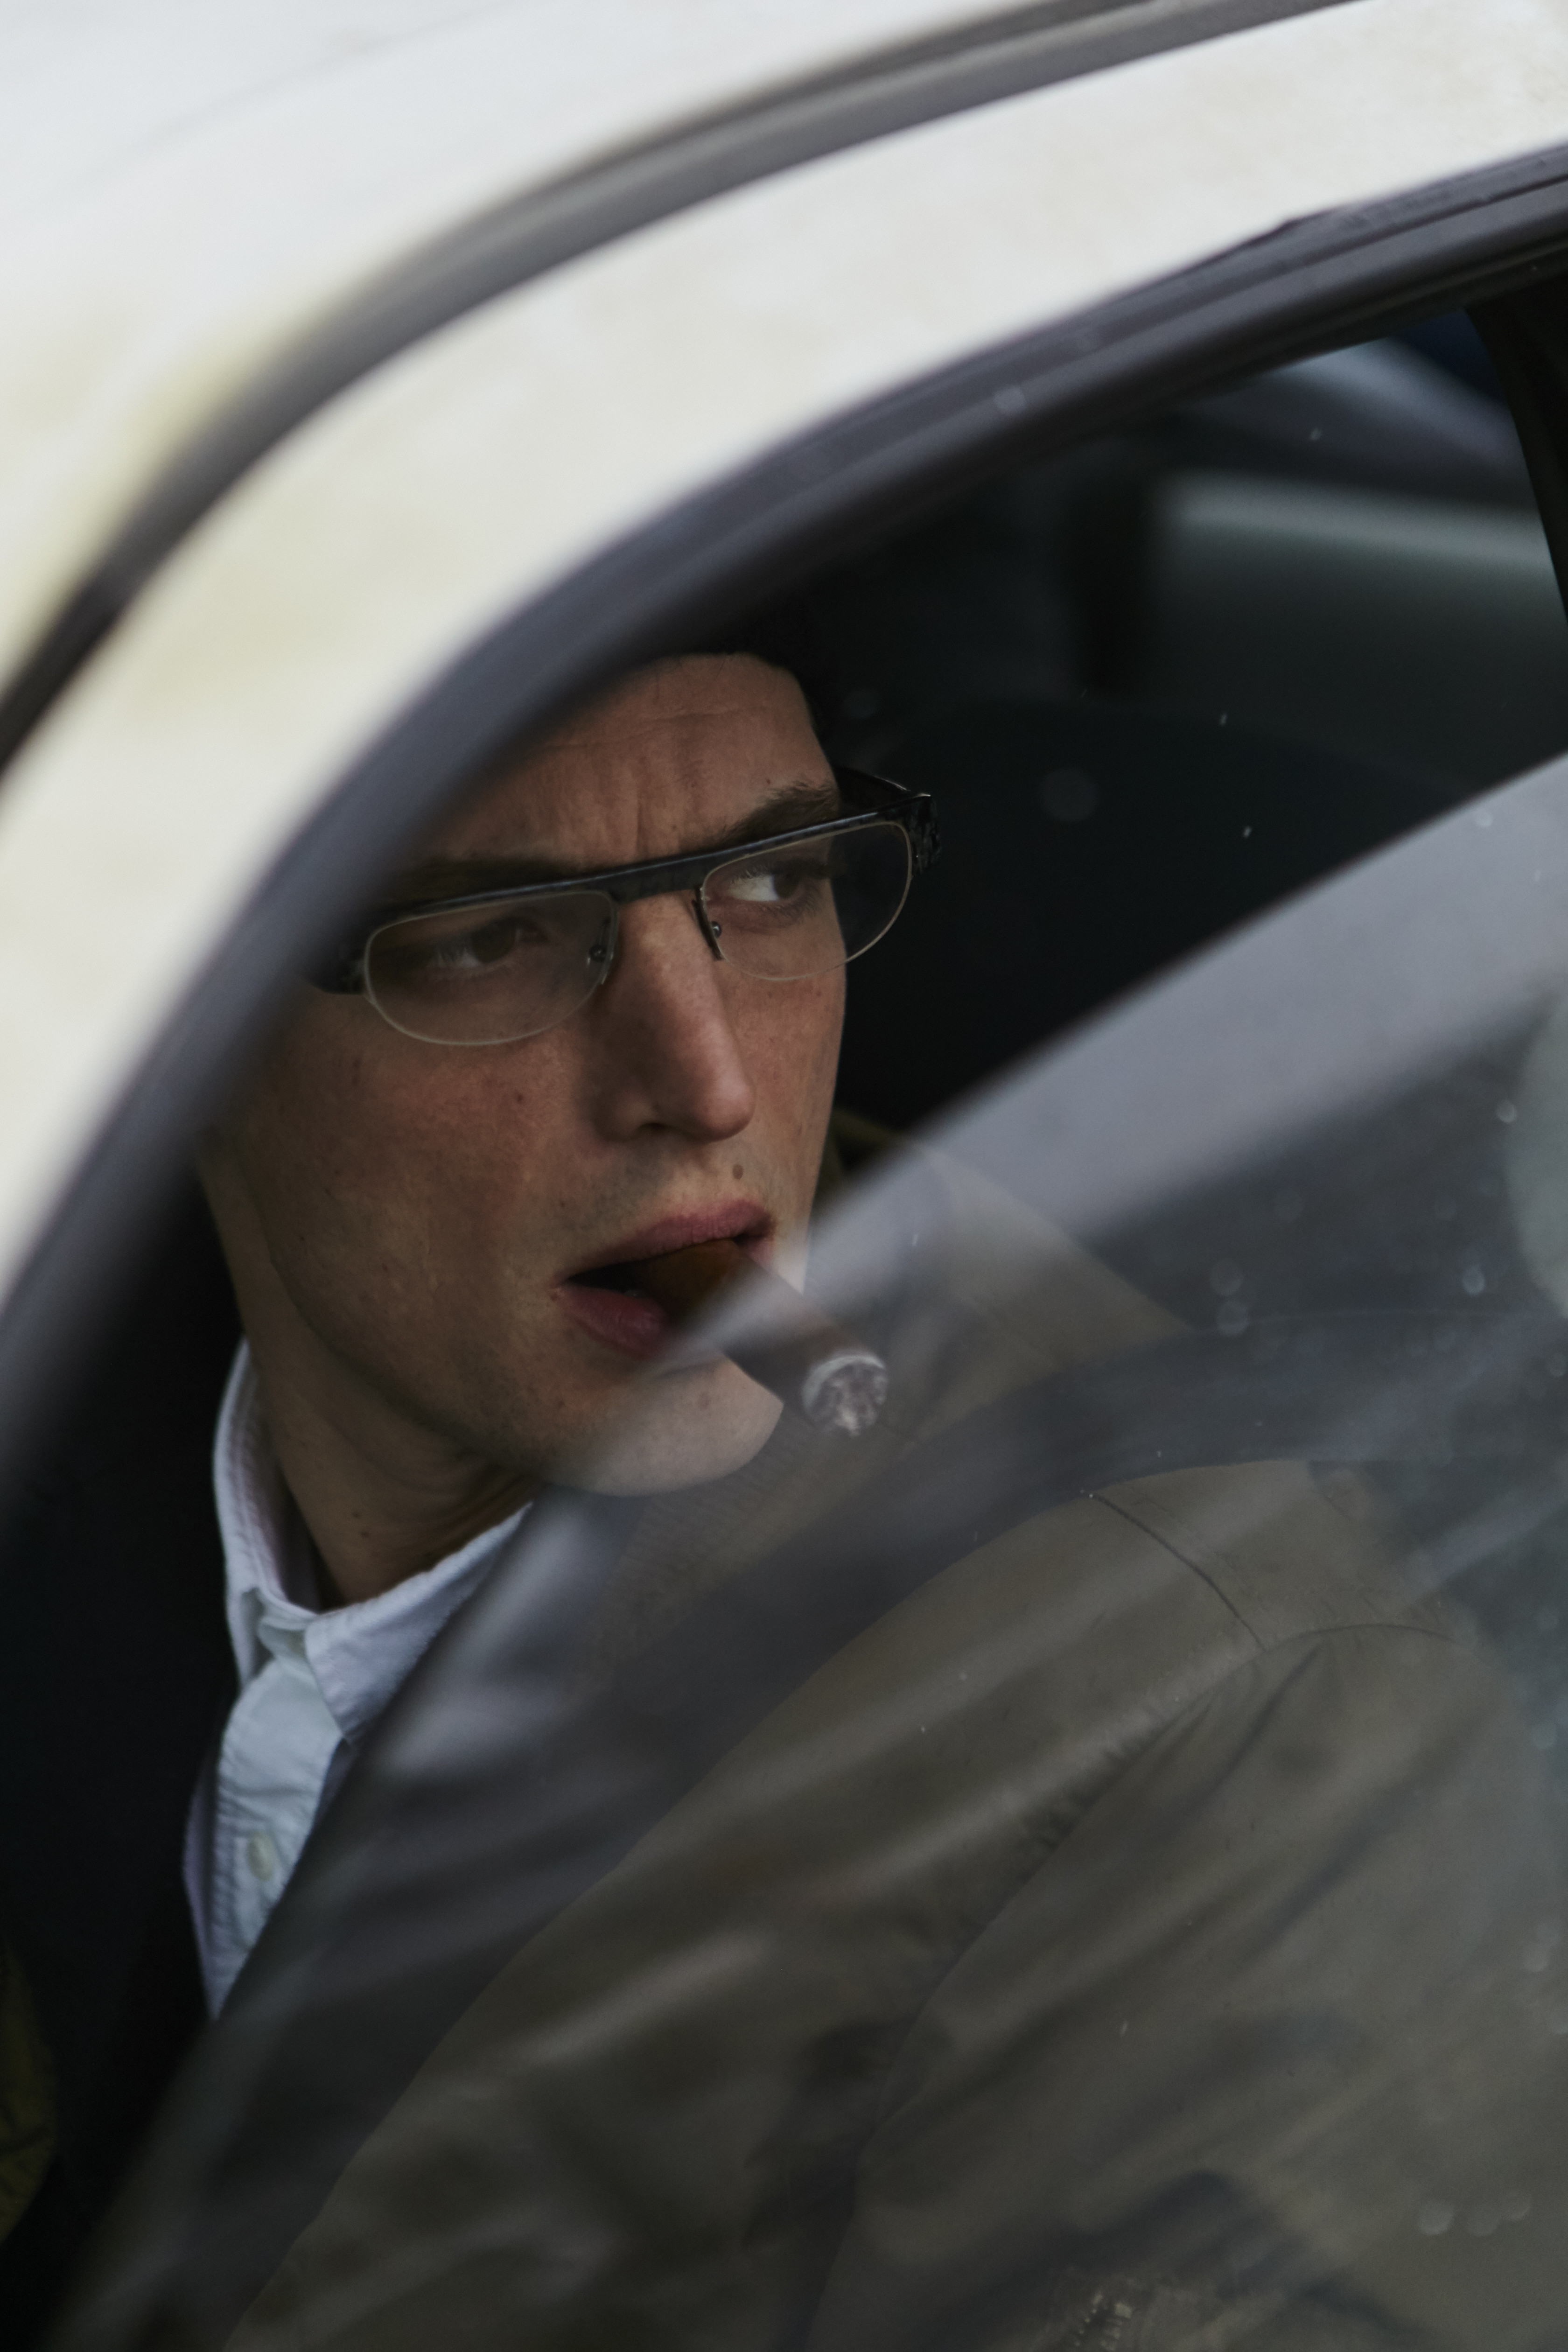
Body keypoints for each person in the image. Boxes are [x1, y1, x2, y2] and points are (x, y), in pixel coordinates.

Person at [5, 650, 1568, 2352]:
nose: (707, 1083)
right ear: (164, 1009)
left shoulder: (1228, 1725)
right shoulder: (55, 1344)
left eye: (771, 882)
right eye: (492, 935)